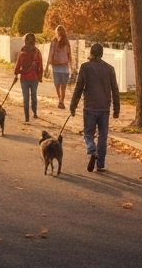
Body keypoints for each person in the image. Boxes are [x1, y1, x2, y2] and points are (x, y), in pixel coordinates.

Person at [69, 43, 119, 173]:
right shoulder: (110, 69)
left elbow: (79, 87)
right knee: (103, 136)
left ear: (91, 53)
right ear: (102, 54)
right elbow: (115, 89)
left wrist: (73, 105)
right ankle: (100, 164)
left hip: (90, 106)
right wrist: (116, 109)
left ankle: (91, 149)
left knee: (88, 133)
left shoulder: (85, 67)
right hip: (104, 107)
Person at [15, 32, 44, 122]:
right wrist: (40, 76)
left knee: (26, 98)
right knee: (34, 96)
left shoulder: (22, 53)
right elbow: (40, 66)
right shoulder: (37, 53)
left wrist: (16, 74)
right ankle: (34, 112)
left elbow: (18, 65)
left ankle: (26, 117)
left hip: (24, 78)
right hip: (34, 78)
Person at [49, 26, 73, 109]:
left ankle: (61, 101)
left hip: (64, 66)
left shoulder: (66, 42)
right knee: (57, 84)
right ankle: (59, 97)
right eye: (58, 31)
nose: (59, 32)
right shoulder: (54, 41)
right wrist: (50, 62)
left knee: (64, 85)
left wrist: (70, 65)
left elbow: (69, 54)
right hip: (56, 66)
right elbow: (51, 52)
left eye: (60, 31)